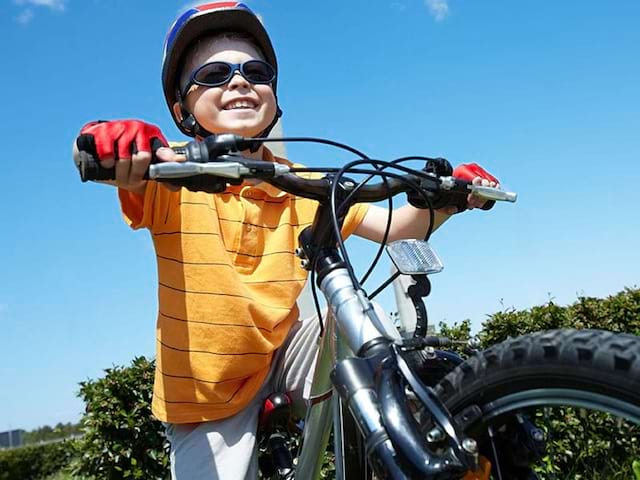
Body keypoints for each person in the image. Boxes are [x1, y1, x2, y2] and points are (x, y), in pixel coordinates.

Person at [73, 3, 499, 478]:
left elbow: (397, 228)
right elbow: (94, 153)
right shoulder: (170, 172)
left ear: (274, 93)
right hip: (205, 397)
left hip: (284, 350)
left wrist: (445, 202)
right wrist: (110, 140)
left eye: (256, 72)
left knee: (354, 321)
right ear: (181, 111)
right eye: (214, 74)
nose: (239, 82)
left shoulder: (303, 181)